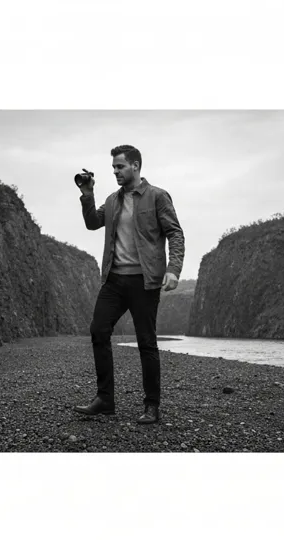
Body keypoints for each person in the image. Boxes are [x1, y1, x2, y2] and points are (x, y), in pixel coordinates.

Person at [73, 144, 185, 424]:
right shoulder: (112, 200)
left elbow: (175, 233)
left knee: (146, 342)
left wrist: (173, 270)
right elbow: (92, 223)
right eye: (113, 167)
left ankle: (152, 406)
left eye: (120, 166)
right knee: (99, 330)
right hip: (114, 280)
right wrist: (87, 194)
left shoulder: (157, 196)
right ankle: (105, 399)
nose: (115, 172)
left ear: (135, 166)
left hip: (145, 281)